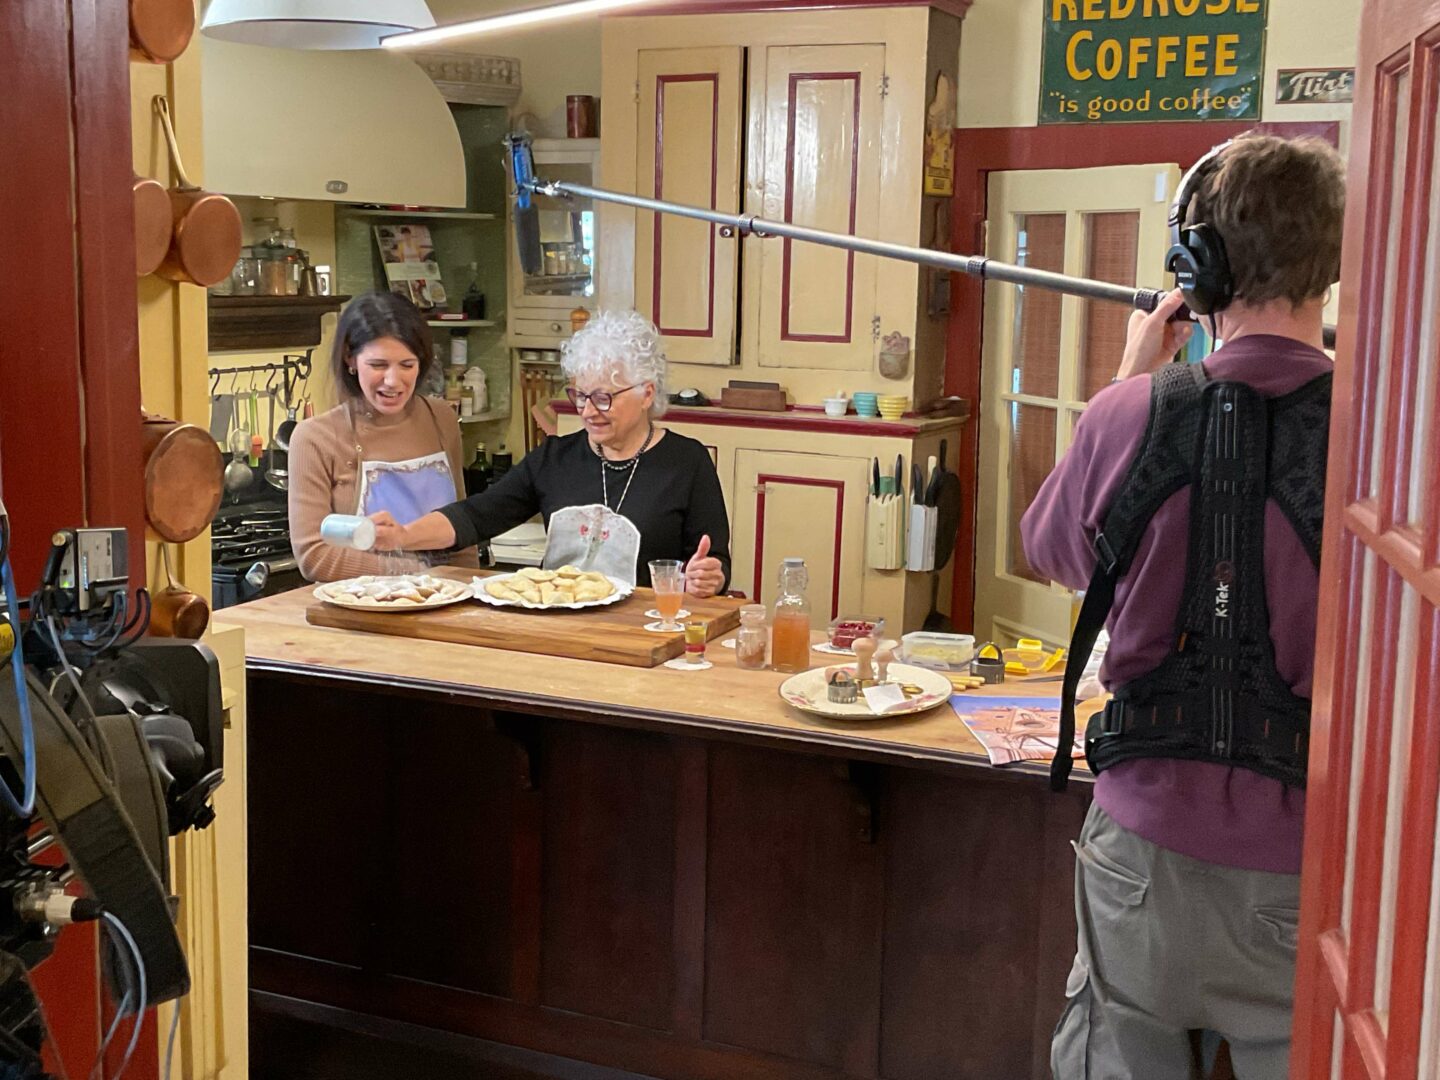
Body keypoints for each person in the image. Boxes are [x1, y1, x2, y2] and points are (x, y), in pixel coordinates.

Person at [1022, 134, 1345, 1079]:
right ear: (1330, 261)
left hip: (1140, 858)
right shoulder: (1380, 432)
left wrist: (1130, 378)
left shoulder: (1128, 414)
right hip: (1305, 863)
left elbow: (1055, 554)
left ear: (1193, 269)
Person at [369, 310, 731, 597]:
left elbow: (716, 564)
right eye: (581, 396)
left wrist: (708, 577)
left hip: (647, 630)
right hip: (560, 627)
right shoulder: (555, 458)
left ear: (647, 394)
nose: (588, 411)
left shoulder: (687, 462)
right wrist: (403, 535)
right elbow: (477, 516)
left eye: (604, 397)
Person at [288, 291, 478, 582]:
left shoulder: (442, 420)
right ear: (350, 357)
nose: (393, 381)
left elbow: (462, 532)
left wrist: (465, 589)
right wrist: (415, 576)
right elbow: (315, 555)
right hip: (361, 617)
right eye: (378, 365)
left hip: (444, 603)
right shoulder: (315, 438)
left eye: (407, 365)